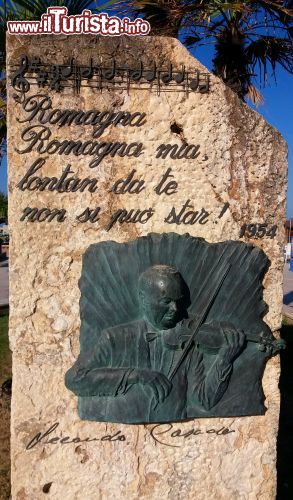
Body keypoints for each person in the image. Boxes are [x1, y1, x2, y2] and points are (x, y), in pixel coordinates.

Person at [65, 265, 245, 423]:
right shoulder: (116, 338)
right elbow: (75, 379)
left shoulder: (189, 340)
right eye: (166, 301)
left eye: (178, 301)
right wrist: (135, 375)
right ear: (143, 299)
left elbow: (204, 401)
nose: (175, 309)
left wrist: (224, 359)